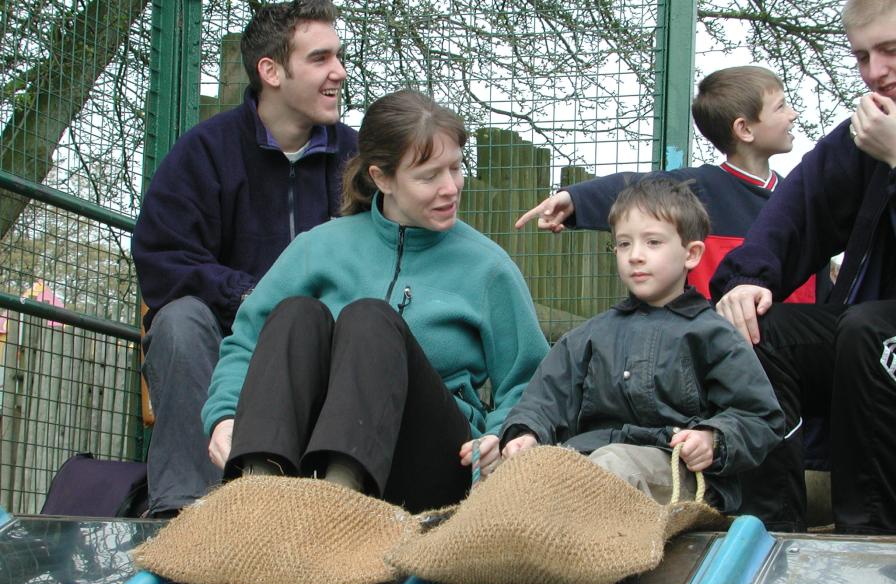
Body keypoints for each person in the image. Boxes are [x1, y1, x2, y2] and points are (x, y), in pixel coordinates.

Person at [201, 90, 549, 513]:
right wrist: (224, 416)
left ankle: (341, 503)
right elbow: (247, 341)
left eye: (455, 168)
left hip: (428, 468)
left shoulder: (487, 268)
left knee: (370, 319)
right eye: (428, 176)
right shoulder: (318, 248)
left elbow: (530, 380)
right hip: (306, 459)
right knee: (296, 314)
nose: (450, 188)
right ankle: (257, 493)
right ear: (382, 178)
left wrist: (504, 436)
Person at [131, 1, 358, 517]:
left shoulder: (358, 159)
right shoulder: (204, 152)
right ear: (271, 72)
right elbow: (161, 258)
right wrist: (252, 297)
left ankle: (347, 512)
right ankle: (184, 511)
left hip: (325, 344)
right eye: (321, 58)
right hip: (229, 341)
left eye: (338, 57)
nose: (339, 72)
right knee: (179, 321)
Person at [711, 0, 896, 534]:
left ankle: (869, 537)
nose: (874, 72)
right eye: (862, 55)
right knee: (761, 331)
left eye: (890, 50)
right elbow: (798, 213)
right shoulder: (867, 132)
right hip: (873, 352)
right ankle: (769, 532)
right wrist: (748, 280)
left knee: (870, 331)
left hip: (879, 339)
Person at [500, 178, 784, 513]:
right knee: (513, 475)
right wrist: (525, 433)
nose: (635, 256)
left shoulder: (715, 336)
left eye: (652, 242)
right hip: (587, 458)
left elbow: (760, 416)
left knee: (609, 469)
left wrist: (714, 439)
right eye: (623, 244)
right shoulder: (588, 336)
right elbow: (544, 399)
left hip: (679, 472)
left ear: (691, 254)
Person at [513, 66, 817, 303]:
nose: (792, 115)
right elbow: (634, 187)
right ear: (745, 128)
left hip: (793, 357)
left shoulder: (805, 197)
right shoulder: (700, 188)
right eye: (780, 107)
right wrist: (573, 198)